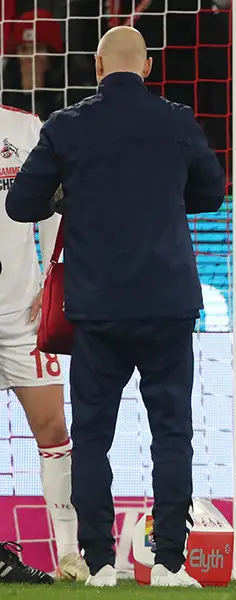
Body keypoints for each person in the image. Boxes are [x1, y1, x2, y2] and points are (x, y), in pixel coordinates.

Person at [4, 26, 226, 588]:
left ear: (97, 65)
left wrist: (73, 192)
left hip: (97, 307)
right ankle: (171, 562)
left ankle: (100, 562)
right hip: (167, 303)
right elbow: (210, 195)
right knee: (172, 432)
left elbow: (22, 203)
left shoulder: (67, 126)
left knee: (95, 436)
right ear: (147, 66)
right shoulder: (176, 121)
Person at [0, 104, 87, 585]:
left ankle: (71, 554)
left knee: (53, 428)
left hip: (22, 315)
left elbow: (54, 206)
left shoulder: (25, 127)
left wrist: (52, 273)